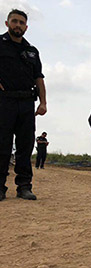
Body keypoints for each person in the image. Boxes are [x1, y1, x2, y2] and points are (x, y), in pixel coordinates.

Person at [0, 9, 47, 201]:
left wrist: (43, 102)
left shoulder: (32, 51)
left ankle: (24, 186)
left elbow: (39, 78)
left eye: (21, 23)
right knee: (2, 145)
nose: (18, 25)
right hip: (4, 102)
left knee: (25, 146)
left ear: (26, 27)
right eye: (14, 21)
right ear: (7, 23)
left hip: (27, 102)